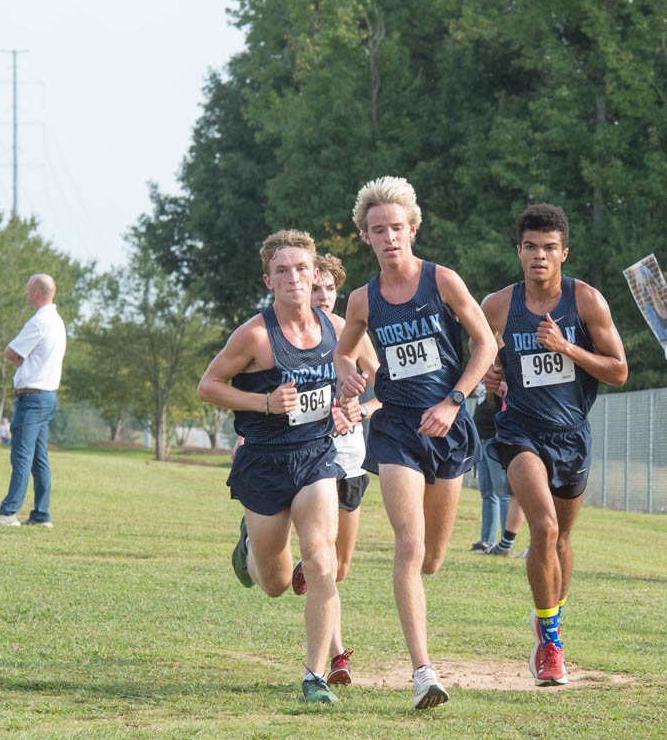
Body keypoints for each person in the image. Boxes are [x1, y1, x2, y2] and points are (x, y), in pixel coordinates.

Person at [335, 176, 498, 709]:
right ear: (366, 236)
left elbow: (485, 342)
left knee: (430, 559)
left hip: (448, 427)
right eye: (378, 230)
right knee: (408, 542)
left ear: (413, 228)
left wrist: (454, 400)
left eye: (397, 228)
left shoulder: (443, 281)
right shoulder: (362, 298)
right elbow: (343, 352)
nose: (389, 238)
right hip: (398, 428)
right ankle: (423, 672)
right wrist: (349, 376)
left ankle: (422, 641)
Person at [197, 230, 352, 705]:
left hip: (315, 457)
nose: (293, 278)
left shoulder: (338, 328)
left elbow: (362, 375)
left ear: (315, 274)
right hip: (264, 462)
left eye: (301, 269)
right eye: (282, 271)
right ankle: (249, 543)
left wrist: (350, 401)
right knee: (276, 583)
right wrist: (263, 401)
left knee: (322, 559)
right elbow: (209, 386)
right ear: (269, 280)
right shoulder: (255, 336)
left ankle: (315, 676)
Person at [481, 203, 628, 686]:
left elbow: (619, 371)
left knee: (563, 538)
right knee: (542, 527)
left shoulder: (586, 301)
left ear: (564, 252)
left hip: (572, 436)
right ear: (518, 251)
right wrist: (491, 377)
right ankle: (550, 646)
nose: (539, 256)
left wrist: (567, 347)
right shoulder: (498, 305)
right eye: (530, 247)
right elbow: (485, 365)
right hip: (519, 430)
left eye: (548, 248)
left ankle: (550, 619)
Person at [285, 252, 382, 687]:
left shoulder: (350, 331)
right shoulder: (291, 335)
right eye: (315, 287)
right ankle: (336, 655)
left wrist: (362, 410)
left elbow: (388, 387)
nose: (321, 296)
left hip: (349, 459)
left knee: (339, 567)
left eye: (329, 289)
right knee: (324, 562)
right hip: (306, 458)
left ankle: (305, 566)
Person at [0, 274, 66, 528]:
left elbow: (10, 352)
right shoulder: (58, 322)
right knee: (39, 458)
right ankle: (41, 514)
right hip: (48, 396)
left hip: (32, 397)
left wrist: (21, 360)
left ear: (36, 293)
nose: (26, 293)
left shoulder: (39, 322)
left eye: (28, 289)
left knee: (22, 456)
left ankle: (8, 512)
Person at [471, 380, 510, 552]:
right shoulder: (481, 374)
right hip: (481, 440)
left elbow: (508, 401)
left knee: (502, 493)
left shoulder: (502, 375)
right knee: (487, 493)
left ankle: (505, 543)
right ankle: (486, 541)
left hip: (495, 441)